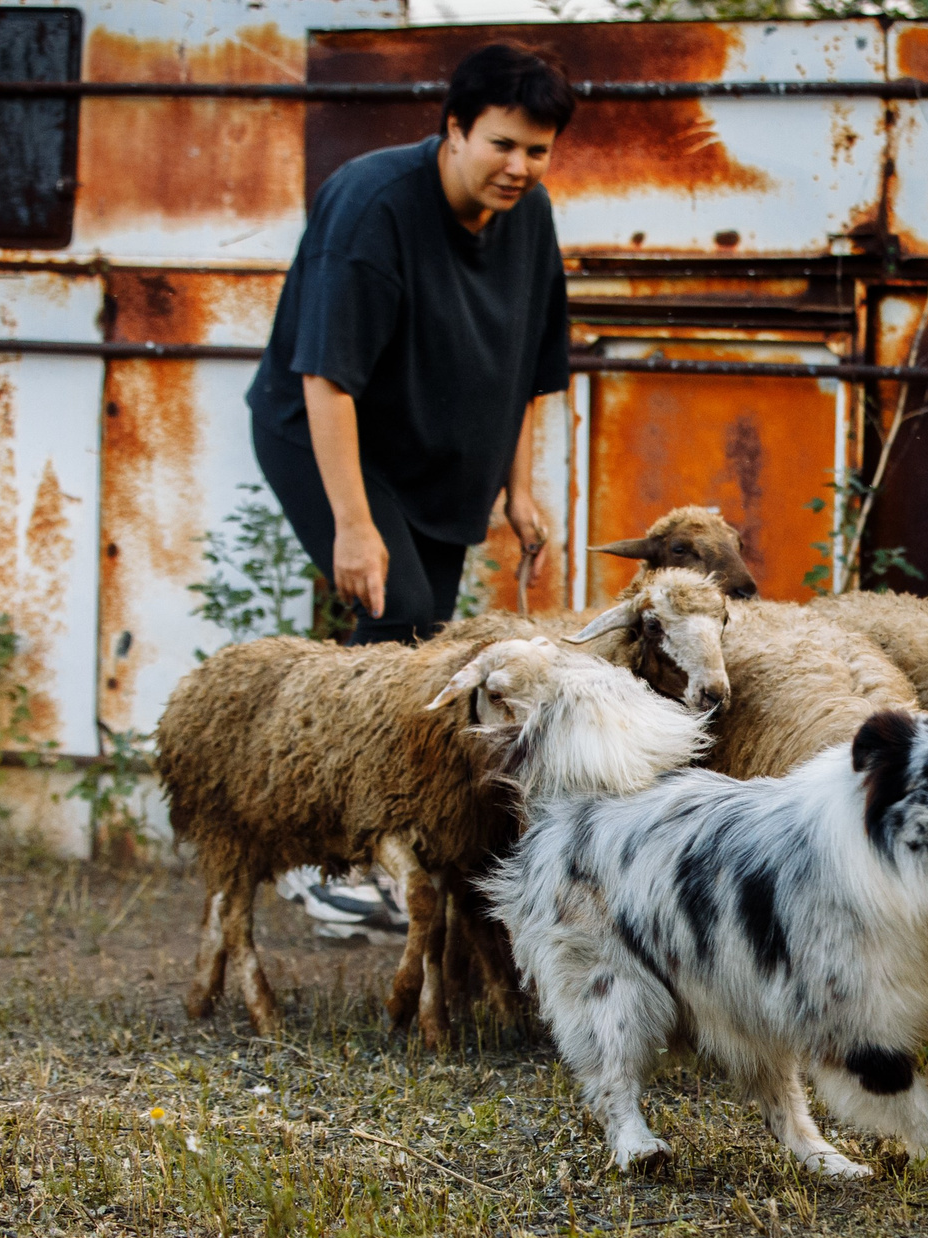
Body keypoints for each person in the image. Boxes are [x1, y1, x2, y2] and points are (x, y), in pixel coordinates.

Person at [244, 42, 576, 932]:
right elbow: (326, 378)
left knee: (430, 641)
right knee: (396, 614)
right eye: (503, 144)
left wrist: (518, 488)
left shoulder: (529, 217)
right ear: (455, 127)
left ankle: (395, 846)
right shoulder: (374, 207)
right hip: (324, 433)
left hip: (438, 449)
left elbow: (527, 364)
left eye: (538, 150)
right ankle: (329, 861)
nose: (520, 167)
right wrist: (354, 525)